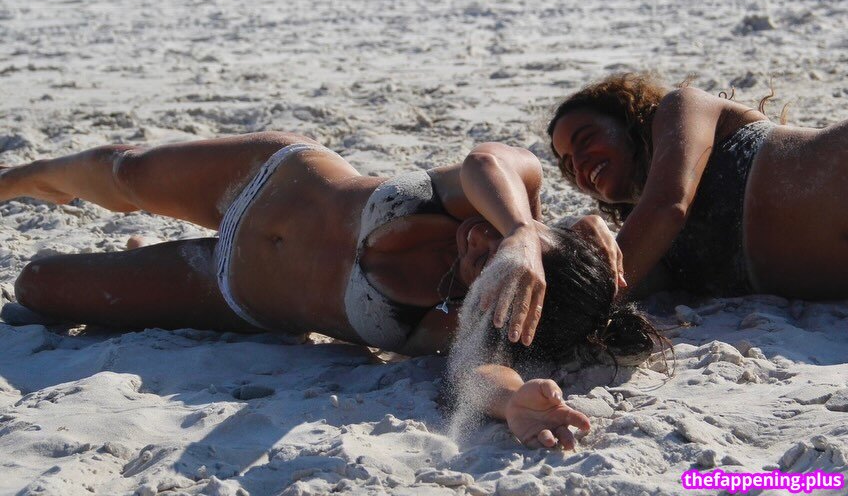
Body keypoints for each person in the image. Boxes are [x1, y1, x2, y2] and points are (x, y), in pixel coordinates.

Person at [0, 133, 659, 448]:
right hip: (261, 179)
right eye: (502, 243)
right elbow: (490, 158)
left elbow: (477, 374)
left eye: (488, 267)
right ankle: (16, 178)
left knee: (37, 287)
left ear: (498, 304)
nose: (482, 242)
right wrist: (519, 234)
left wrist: (514, 402)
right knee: (123, 172)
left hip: (228, 289)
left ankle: (145, 258)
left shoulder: (451, 326)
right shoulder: (495, 201)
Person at [547, 73, 848, 300]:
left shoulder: (681, 106)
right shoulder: (650, 247)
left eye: (585, 139)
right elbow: (622, 286)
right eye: (569, 165)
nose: (579, 163)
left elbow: (670, 204)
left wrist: (587, 297)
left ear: (626, 120)